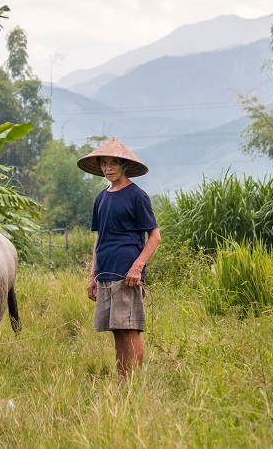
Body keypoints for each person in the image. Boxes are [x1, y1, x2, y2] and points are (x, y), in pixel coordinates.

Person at [77, 137, 161, 383]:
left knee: (129, 328)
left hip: (127, 274)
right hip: (105, 272)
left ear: (124, 165)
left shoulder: (137, 196)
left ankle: (134, 383)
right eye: (104, 163)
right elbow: (99, 238)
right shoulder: (101, 198)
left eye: (114, 162)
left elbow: (154, 236)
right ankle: (122, 380)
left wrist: (137, 267)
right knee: (116, 329)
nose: (108, 167)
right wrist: (93, 275)